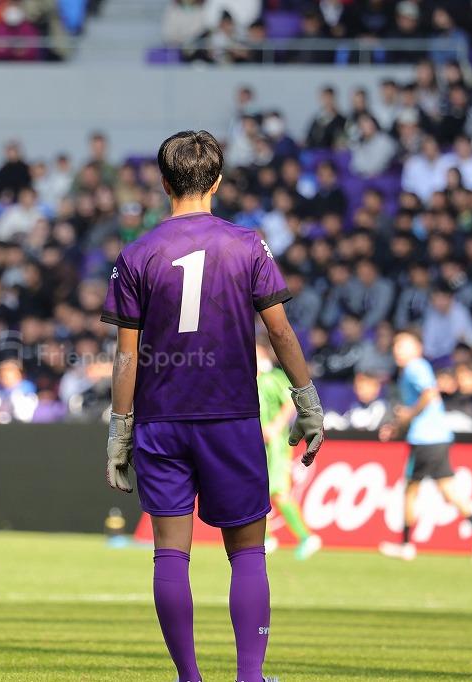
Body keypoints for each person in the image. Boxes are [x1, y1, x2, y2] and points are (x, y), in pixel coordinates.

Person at [102, 130, 322, 682]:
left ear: (163, 182)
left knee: (170, 555)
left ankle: (189, 678)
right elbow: (281, 333)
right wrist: (308, 401)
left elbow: (126, 355)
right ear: (218, 181)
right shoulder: (247, 245)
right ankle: (249, 677)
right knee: (247, 554)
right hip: (230, 418)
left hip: (161, 421)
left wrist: (119, 430)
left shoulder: (136, 254)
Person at [378, 332, 472, 563]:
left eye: (403, 345)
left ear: (418, 348)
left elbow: (429, 395)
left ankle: (406, 545)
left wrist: (407, 416)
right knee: (447, 489)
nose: (397, 350)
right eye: (396, 345)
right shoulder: (415, 369)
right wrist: (397, 426)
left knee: (411, 490)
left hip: (425, 439)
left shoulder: (415, 367)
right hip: (436, 437)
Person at [256, 342, 321, 560]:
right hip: (256, 444)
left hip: (275, 445)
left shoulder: (273, 378)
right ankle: (266, 538)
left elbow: (291, 402)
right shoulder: (248, 381)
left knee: (277, 490)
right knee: (257, 489)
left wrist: (276, 426)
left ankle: (306, 537)